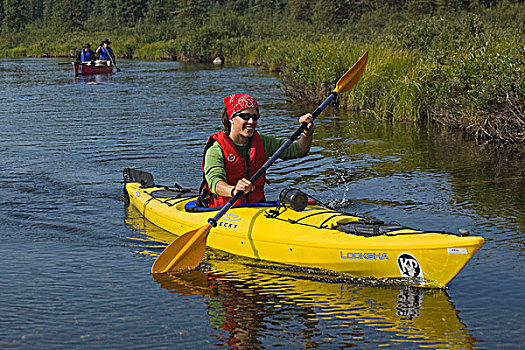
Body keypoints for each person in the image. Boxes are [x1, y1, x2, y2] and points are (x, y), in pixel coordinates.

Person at [198, 93, 314, 207]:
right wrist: (234, 190)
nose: (251, 122)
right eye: (245, 116)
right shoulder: (216, 148)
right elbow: (215, 182)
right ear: (231, 118)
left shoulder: (263, 142)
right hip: (224, 210)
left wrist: (307, 133)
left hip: (256, 208)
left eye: (255, 117)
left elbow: (299, 150)